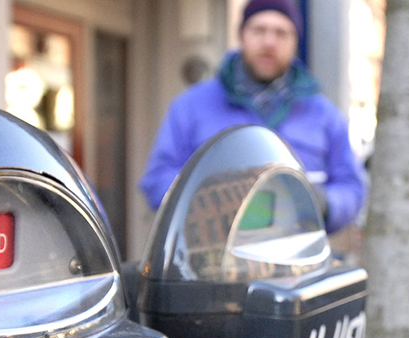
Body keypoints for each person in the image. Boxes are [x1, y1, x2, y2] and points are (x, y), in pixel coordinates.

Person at [139, 0, 365, 233]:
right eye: (259, 30)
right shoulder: (190, 107)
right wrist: (206, 202)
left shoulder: (323, 114)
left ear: (295, 41)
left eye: (281, 33)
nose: (269, 42)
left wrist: (325, 204)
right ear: (241, 35)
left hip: (300, 258)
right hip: (212, 258)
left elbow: (352, 187)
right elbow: (157, 179)